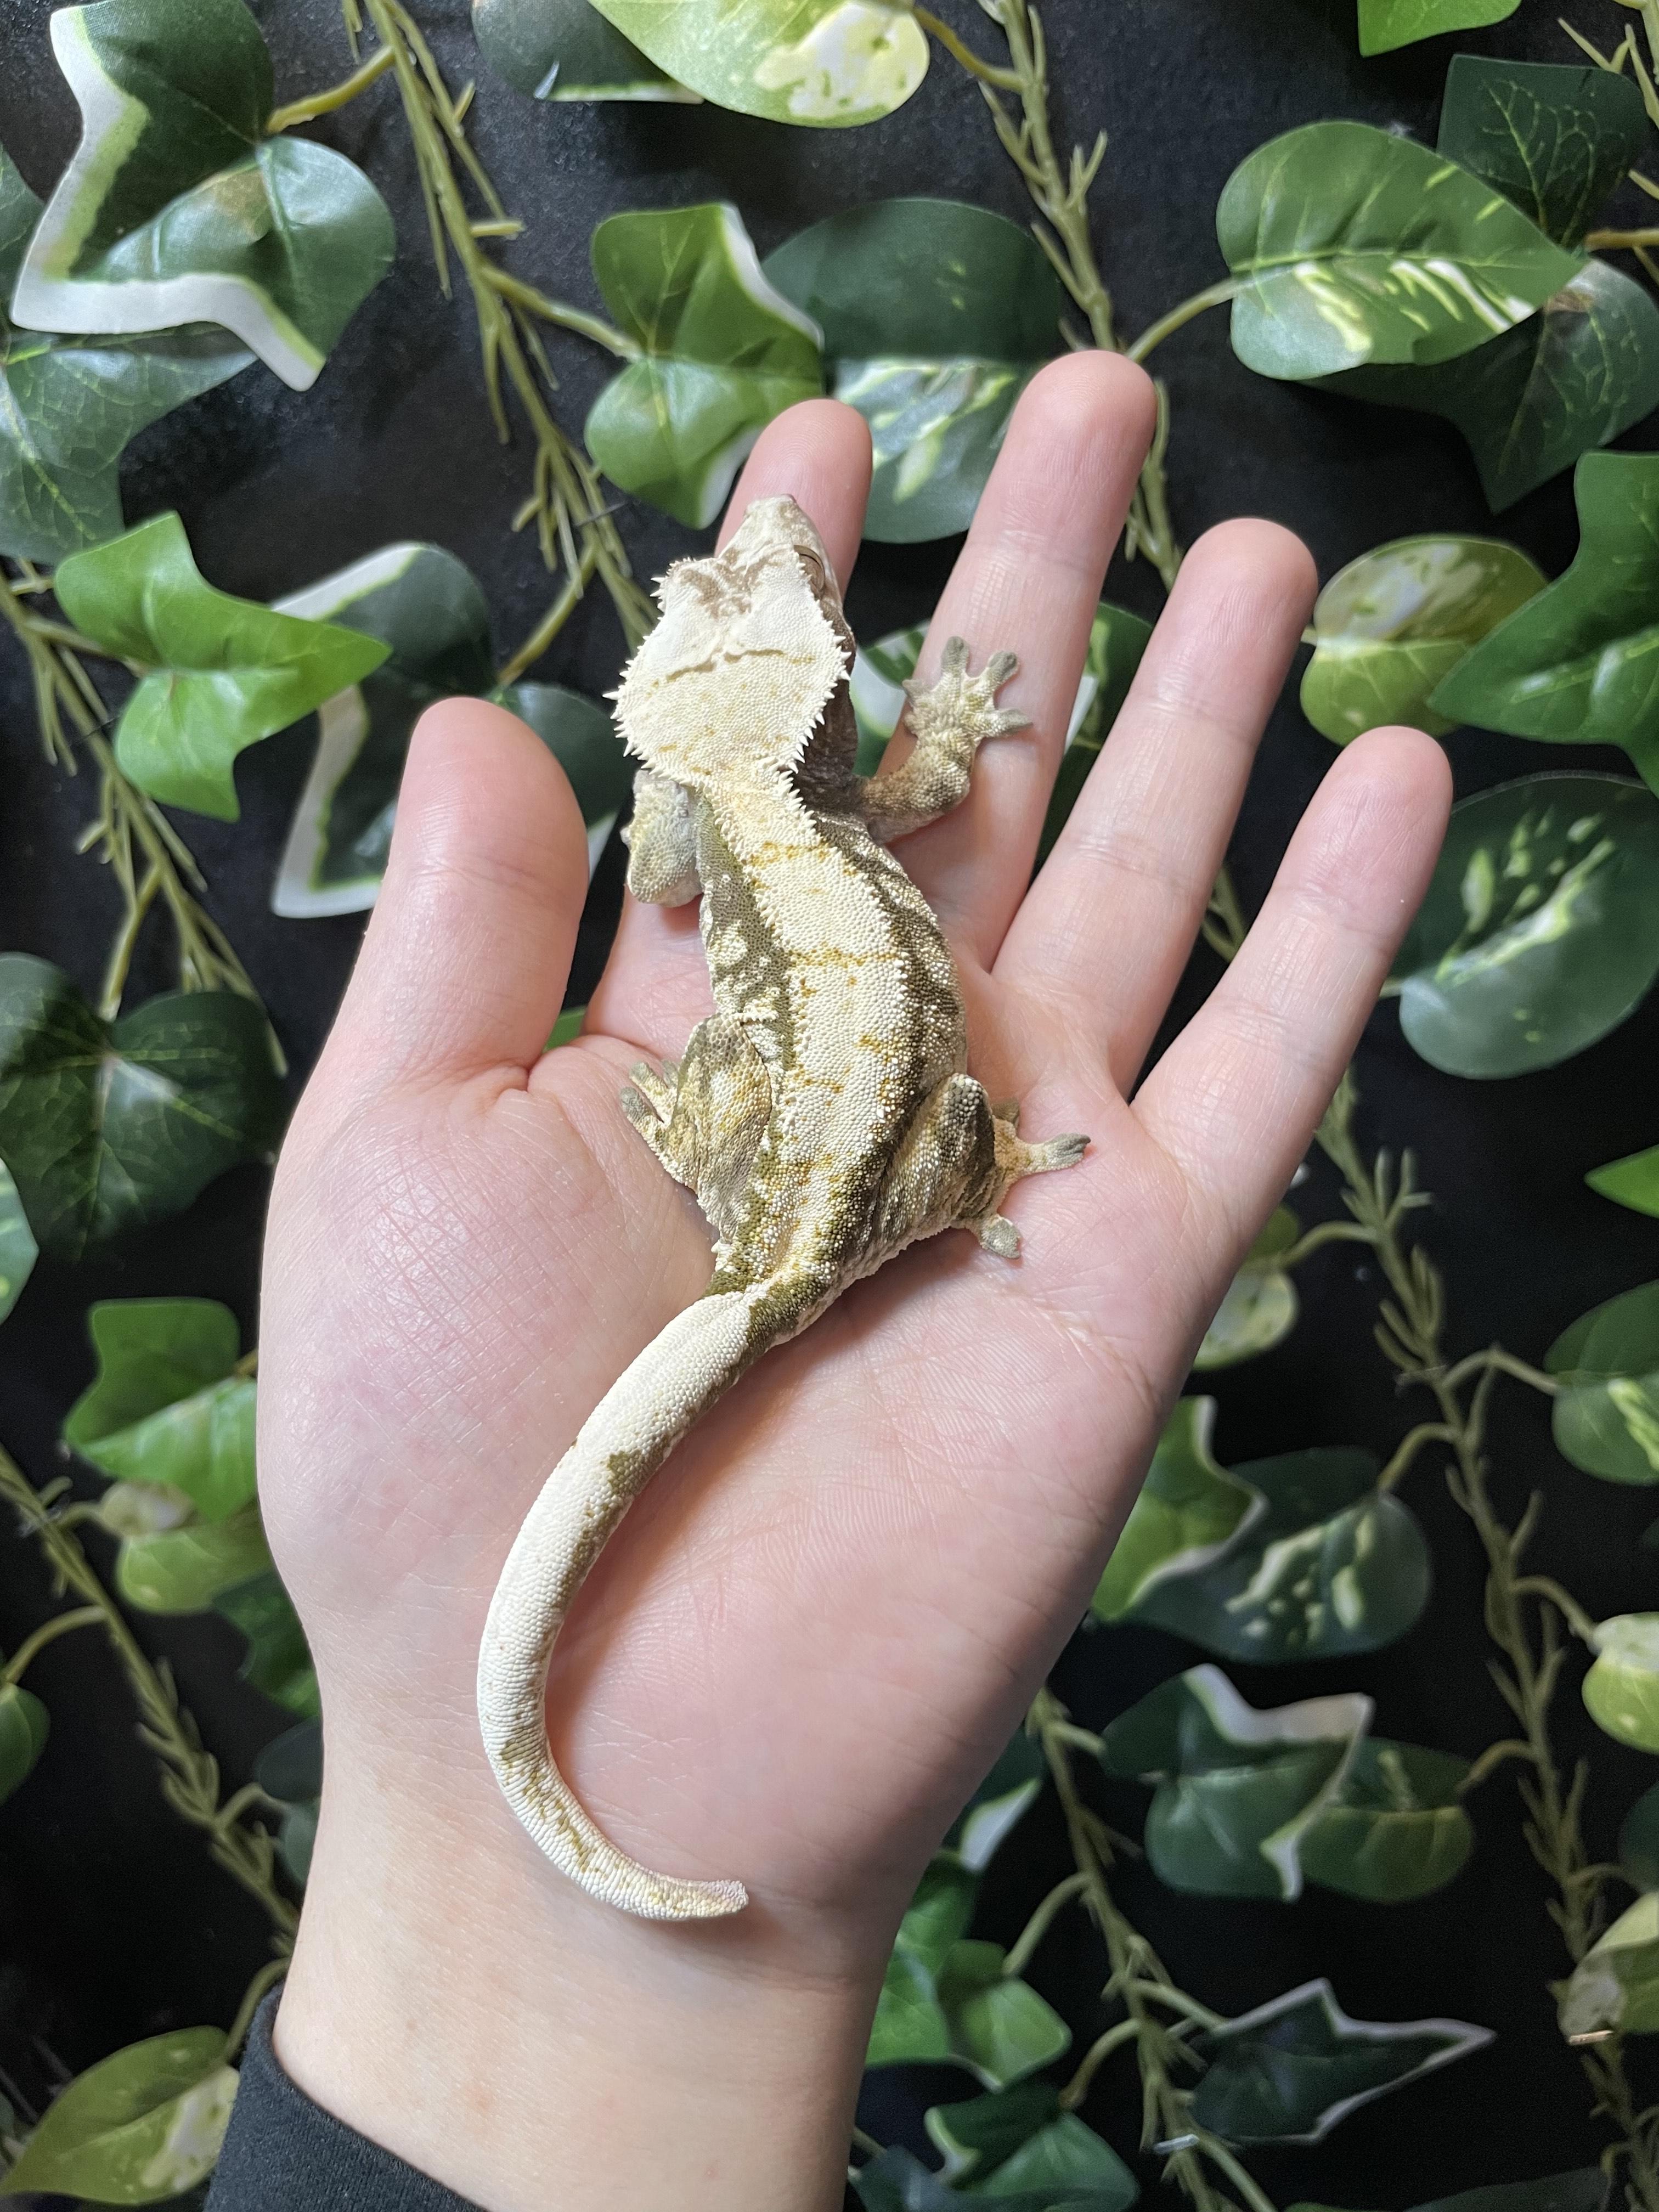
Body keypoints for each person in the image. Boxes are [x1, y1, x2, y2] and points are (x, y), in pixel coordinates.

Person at [207, 358, 1452, 2210]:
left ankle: (935, 1177)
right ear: (813, 701)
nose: (770, 561)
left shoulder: (708, 831)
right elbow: (930, 777)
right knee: (917, 1143)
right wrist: (936, 767)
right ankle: (968, 1181)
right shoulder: (849, 801)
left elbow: (678, 866)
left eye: (759, 591)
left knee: (839, 1138)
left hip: (821, 1178)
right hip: (891, 1182)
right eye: (737, 593)